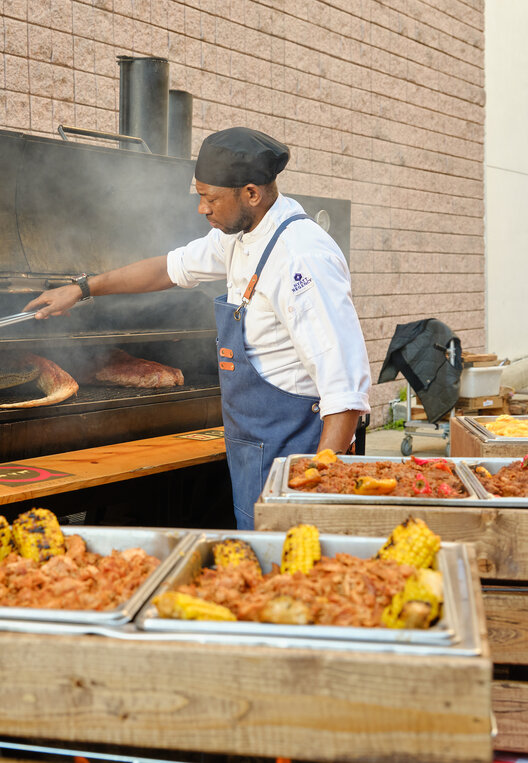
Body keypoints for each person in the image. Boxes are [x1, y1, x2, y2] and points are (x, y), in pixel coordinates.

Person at [23, 127, 371, 529]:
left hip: (297, 450)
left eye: (211, 199)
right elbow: (168, 269)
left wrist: (319, 481)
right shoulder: (241, 237)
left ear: (251, 193)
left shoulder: (301, 258)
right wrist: (83, 289)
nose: (201, 209)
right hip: (252, 447)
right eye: (200, 196)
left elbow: (344, 386)